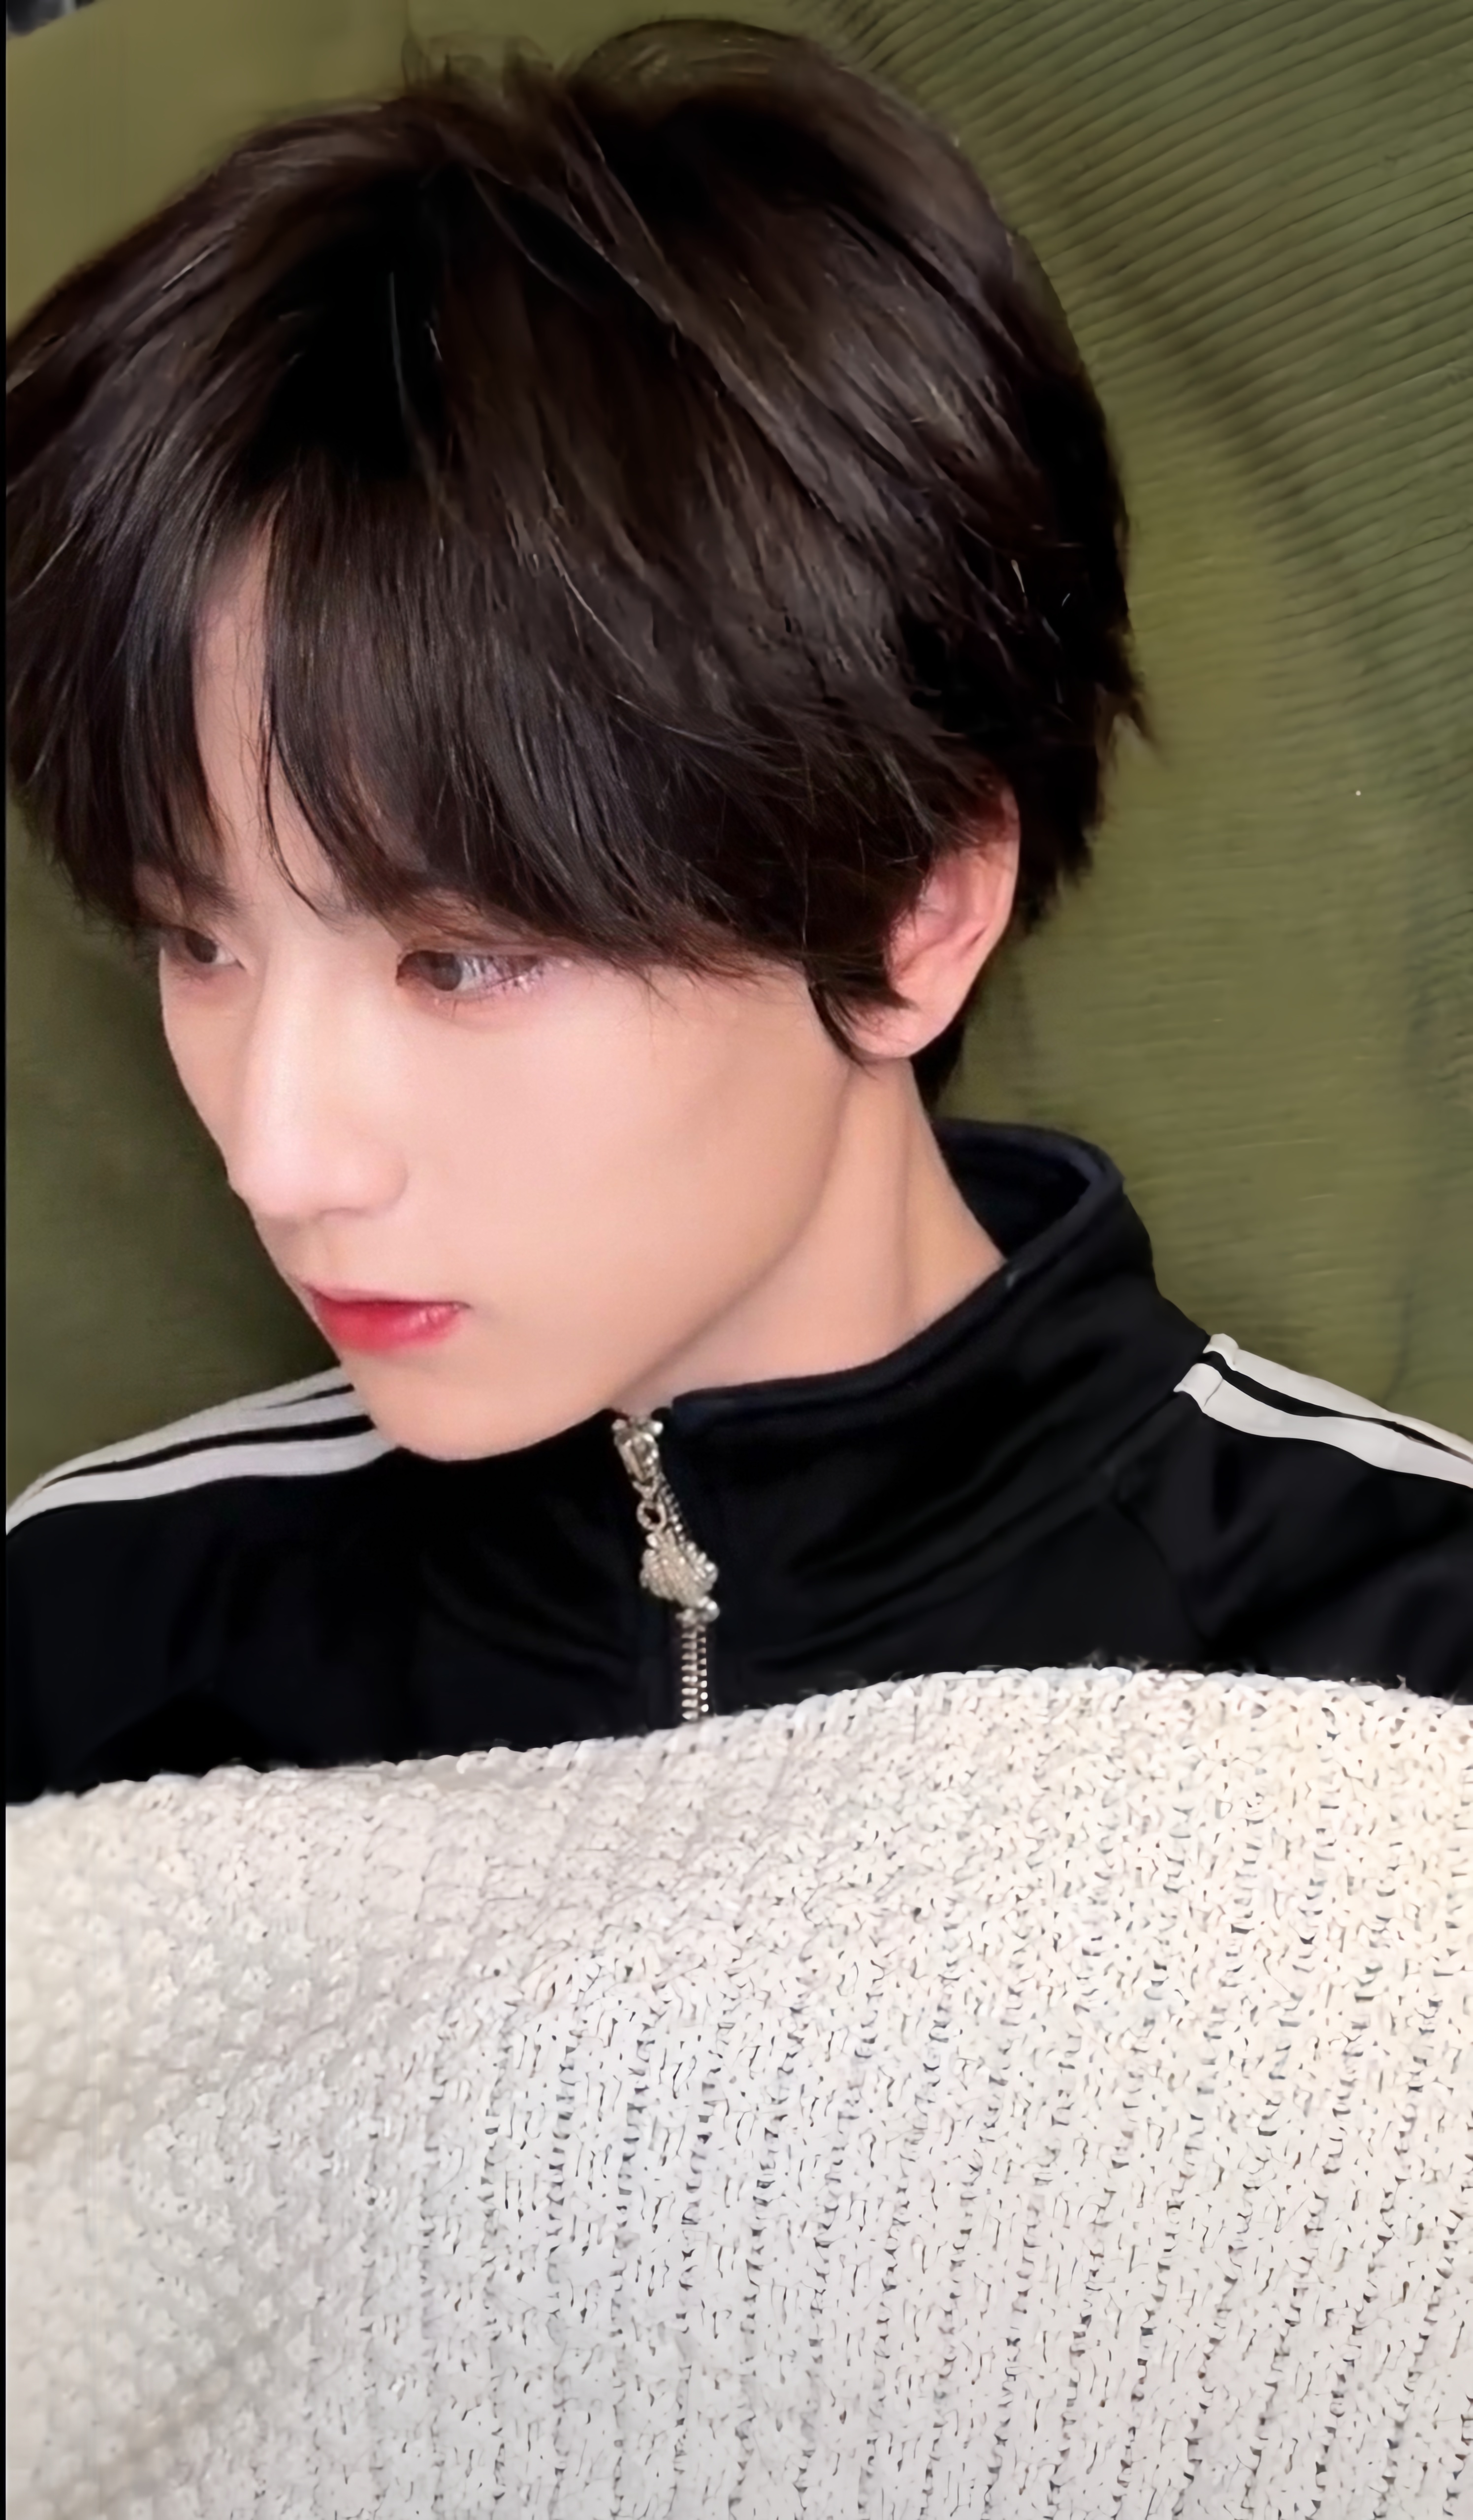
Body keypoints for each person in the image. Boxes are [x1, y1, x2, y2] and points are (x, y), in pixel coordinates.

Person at [5, 20, 1470, 1803]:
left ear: (918, 907)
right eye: (198, 940)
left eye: (461, 960)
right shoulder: (86, 1640)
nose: (278, 1158)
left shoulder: (1407, 1659)